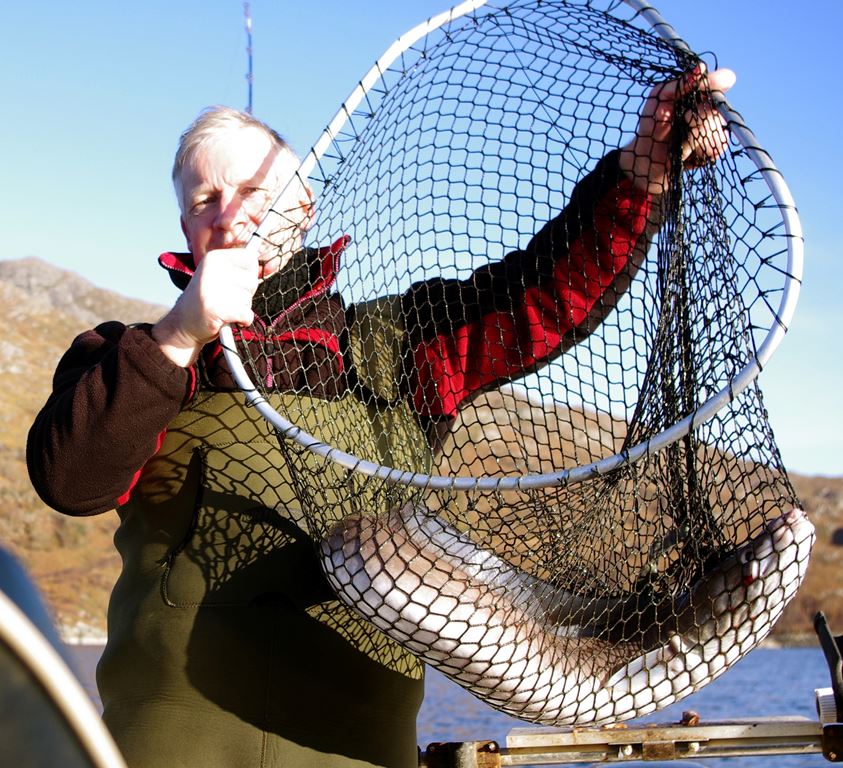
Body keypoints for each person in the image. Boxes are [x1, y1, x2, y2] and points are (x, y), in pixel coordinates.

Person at [26, 65, 735, 767]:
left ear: (302, 206)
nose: (230, 213)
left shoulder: (405, 345)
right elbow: (74, 480)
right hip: (164, 750)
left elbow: (542, 298)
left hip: (355, 750)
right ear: (186, 227)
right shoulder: (124, 358)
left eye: (251, 190)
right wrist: (180, 335)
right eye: (205, 198)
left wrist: (639, 176)